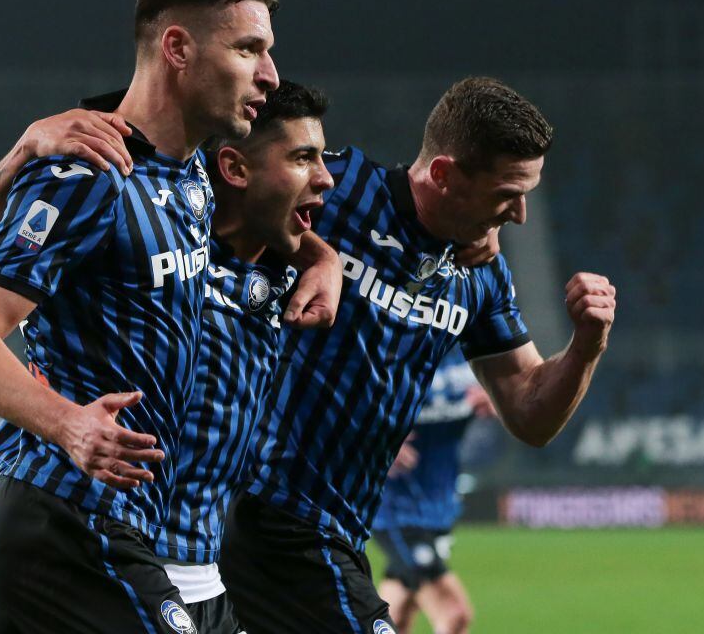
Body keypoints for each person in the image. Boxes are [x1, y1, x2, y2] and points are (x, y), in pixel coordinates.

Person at [0, 0, 337, 633]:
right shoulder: (91, 174)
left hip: (120, 524)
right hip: (69, 514)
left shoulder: (186, 180)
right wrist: (70, 424)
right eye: (249, 50)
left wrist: (321, 256)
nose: (269, 75)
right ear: (177, 47)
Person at [218, 76, 617, 633]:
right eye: (507, 193)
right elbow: (221, 171)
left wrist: (585, 346)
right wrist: (321, 254)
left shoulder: (480, 275)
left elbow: (529, 412)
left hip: (340, 529)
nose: (521, 214)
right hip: (265, 508)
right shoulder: (338, 187)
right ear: (444, 175)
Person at [374, 346, 497, 634]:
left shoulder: (465, 352)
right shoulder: (389, 350)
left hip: (439, 508)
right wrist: (376, 441)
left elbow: (507, 393)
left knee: (396, 618)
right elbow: (338, 406)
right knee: (455, 615)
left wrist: (498, 402)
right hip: (395, 510)